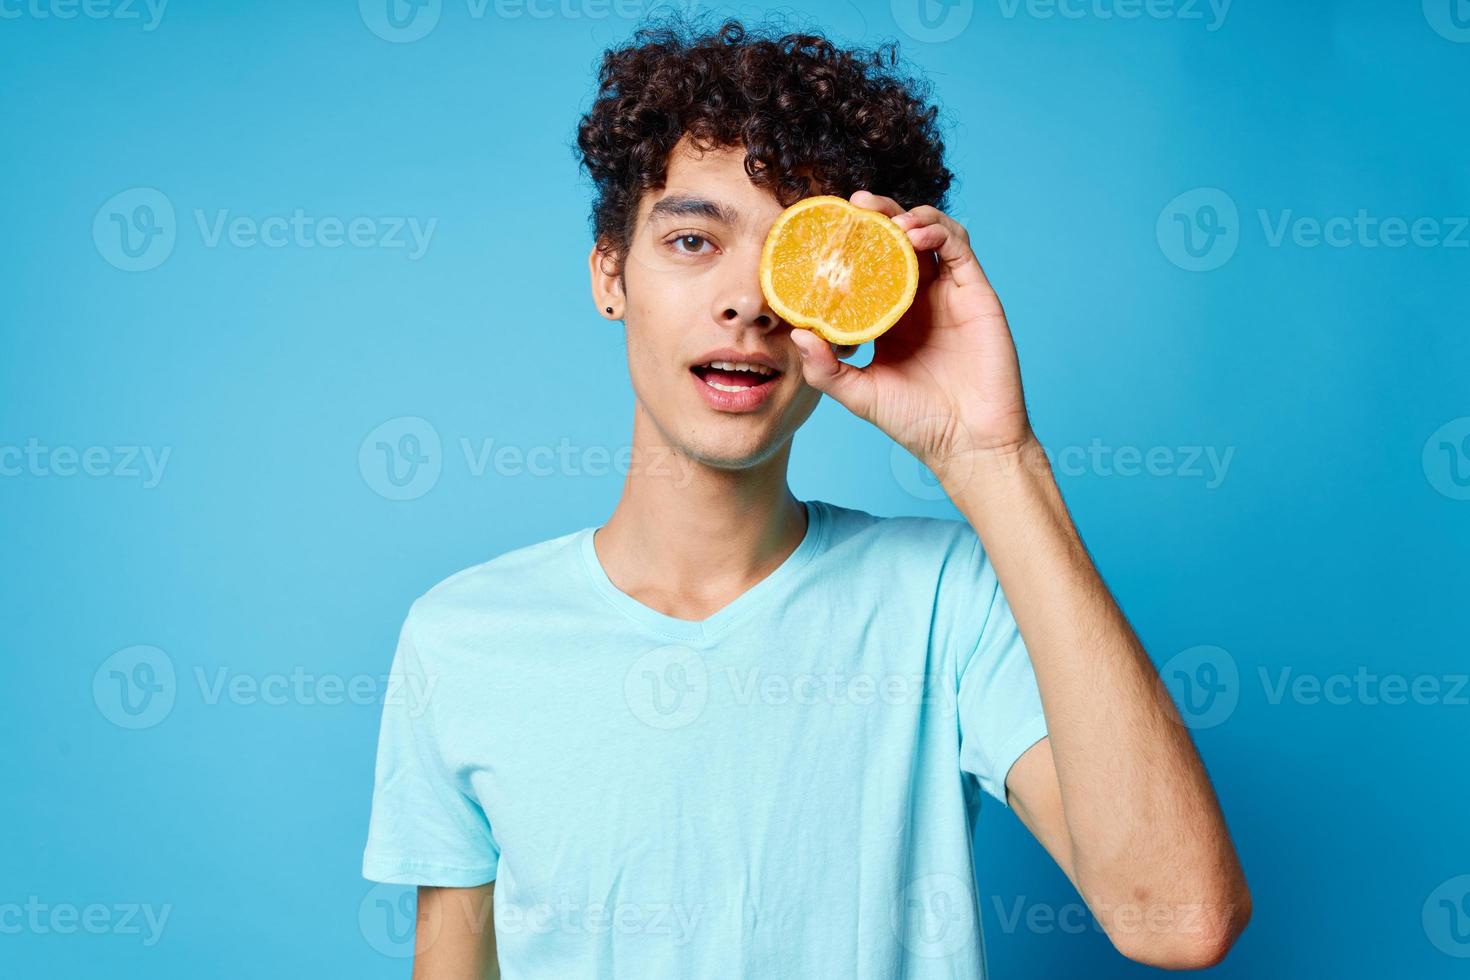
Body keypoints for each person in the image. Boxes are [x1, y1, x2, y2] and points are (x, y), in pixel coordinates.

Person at [361, 16, 1251, 979]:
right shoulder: (461, 638)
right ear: (610, 276)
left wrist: (993, 456)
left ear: (859, 300)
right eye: (695, 240)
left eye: (798, 255)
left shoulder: (945, 600)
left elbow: (1180, 920)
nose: (749, 300)